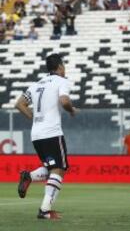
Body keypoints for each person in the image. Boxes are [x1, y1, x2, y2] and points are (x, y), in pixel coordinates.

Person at [15, 53, 77, 220]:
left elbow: (19, 104)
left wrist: (34, 118)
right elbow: (64, 101)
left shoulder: (36, 84)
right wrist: (72, 111)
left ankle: (29, 176)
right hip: (52, 132)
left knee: (52, 167)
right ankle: (45, 210)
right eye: (63, 65)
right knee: (59, 169)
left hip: (36, 133)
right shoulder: (62, 81)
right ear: (60, 67)